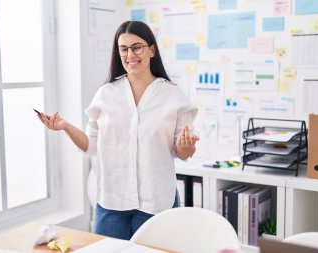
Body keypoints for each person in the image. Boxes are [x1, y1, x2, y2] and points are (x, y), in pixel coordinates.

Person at [37, 20, 199, 240]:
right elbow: (91, 146)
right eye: (123, 49)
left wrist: (185, 147)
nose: (130, 54)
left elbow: (183, 153)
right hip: (112, 201)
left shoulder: (173, 96)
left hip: (156, 202)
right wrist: (64, 126)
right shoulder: (106, 94)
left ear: (151, 50)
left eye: (136, 47)